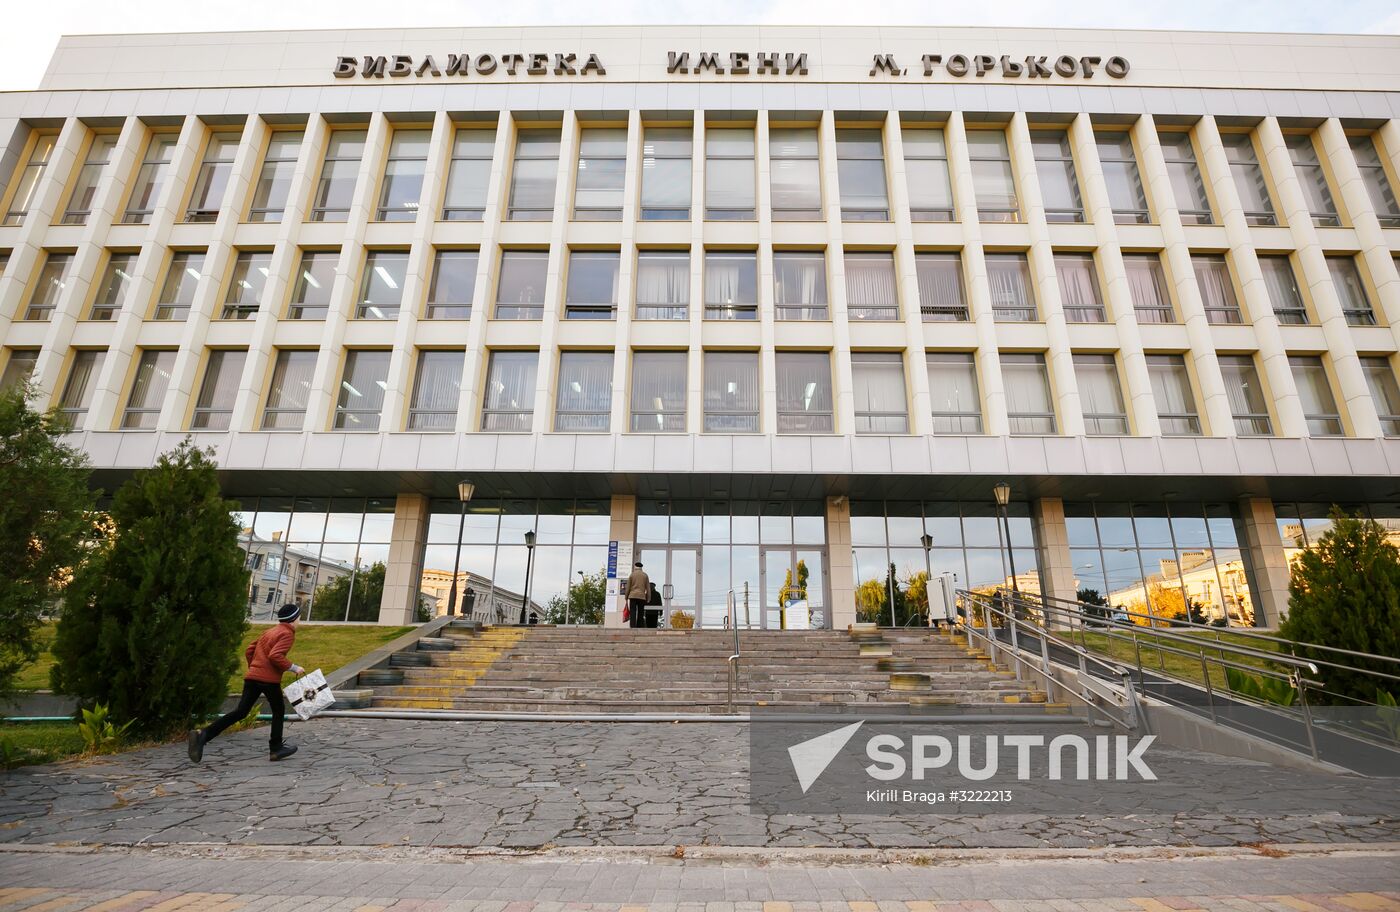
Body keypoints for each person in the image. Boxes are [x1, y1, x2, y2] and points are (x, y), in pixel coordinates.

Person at [188, 602, 305, 763]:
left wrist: (255, 669)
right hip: (268, 680)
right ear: (293, 619)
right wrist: (294, 667)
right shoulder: (287, 633)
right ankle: (276, 748)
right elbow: (275, 656)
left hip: (253, 677)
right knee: (278, 710)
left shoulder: (269, 631)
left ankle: (204, 735)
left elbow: (250, 650)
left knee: (240, 711)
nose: (300, 620)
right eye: (299, 617)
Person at [625, 561, 649, 629]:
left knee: (633, 611)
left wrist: (626, 597)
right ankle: (640, 626)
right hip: (641, 596)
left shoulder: (632, 575)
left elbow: (628, 587)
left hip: (633, 596)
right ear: (641, 567)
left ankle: (632, 626)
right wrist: (648, 597)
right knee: (641, 612)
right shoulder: (645, 575)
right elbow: (648, 588)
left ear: (635, 567)